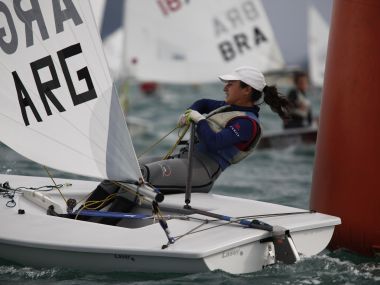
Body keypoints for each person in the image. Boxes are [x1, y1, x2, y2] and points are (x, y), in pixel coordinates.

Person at [82, 66, 289, 224]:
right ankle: (79, 217)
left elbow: (215, 142)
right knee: (124, 168)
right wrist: (189, 112)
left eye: (231, 84)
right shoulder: (229, 107)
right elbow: (203, 102)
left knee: (139, 176)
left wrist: (200, 121)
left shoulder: (247, 124)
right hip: (184, 161)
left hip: (200, 174)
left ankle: (105, 226)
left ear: (246, 90)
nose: (225, 87)